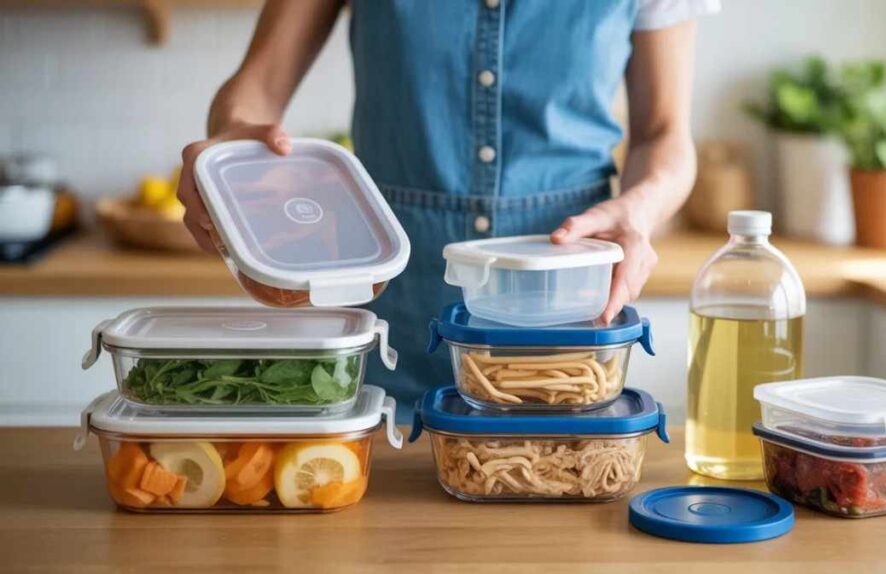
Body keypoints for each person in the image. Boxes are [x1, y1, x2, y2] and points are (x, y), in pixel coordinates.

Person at [175, 0, 718, 416]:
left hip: (569, 313)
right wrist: (233, 147)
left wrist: (641, 209)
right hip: (391, 305)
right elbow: (255, 90)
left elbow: (665, 133)